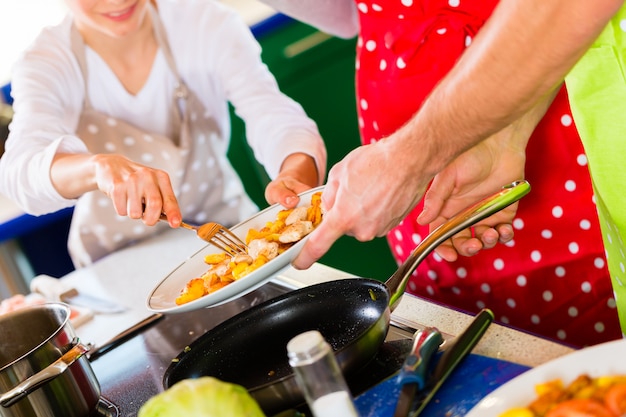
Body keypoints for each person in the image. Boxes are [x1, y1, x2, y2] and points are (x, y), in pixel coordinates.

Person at [260, 0, 623, 346]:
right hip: (421, 161)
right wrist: (495, 138)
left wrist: (409, 158)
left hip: (558, 122)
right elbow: (345, 15)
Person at [0, 0, 326, 268]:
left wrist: (295, 173)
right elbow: (20, 171)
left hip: (227, 237)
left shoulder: (204, 23)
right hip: (120, 269)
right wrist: (96, 168)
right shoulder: (47, 62)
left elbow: (270, 112)